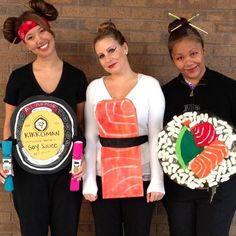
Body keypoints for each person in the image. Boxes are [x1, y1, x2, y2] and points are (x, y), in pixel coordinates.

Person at [0, 1, 88, 235]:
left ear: (50, 30)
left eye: (41, 30)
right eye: (30, 36)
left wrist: (85, 159)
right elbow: (9, 123)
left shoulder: (76, 77)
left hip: (67, 171)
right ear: (25, 44)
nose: (39, 39)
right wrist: (5, 160)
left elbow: (81, 125)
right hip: (27, 173)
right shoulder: (18, 78)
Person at [82, 20, 165, 236]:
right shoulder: (94, 88)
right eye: (101, 55)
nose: (108, 58)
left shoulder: (150, 86)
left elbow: (157, 136)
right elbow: (91, 137)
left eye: (112, 50)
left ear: (125, 47)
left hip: (141, 173)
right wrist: (89, 180)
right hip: (103, 174)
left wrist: (157, 180)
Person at [162, 16, 236, 236]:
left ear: (203, 50)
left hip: (219, 190)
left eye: (193, 54)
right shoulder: (165, 94)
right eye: (180, 57)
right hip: (178, 191)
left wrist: (219, 169)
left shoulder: (229, 89)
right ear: (173, 60)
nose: (188, 62)